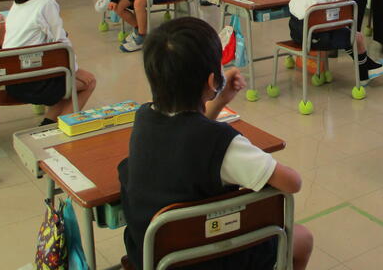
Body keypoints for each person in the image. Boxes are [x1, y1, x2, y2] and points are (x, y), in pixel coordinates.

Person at [119, 17, 313, 270]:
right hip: (206, 259)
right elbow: (292, 183)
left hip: (152, 257)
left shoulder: (144, 117)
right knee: (302, 239)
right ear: (213, 81)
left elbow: (186, 135)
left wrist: (219, 101)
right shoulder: (223, 144)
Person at [3, 0, 96, 125]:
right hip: (33, 82)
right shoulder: (45, 3)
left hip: (12, 79)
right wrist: (76, 71)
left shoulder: (19, 1)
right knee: (88, 82)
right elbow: (62, 45)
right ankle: (62, 128)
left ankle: (48, 125)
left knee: (65, 81)